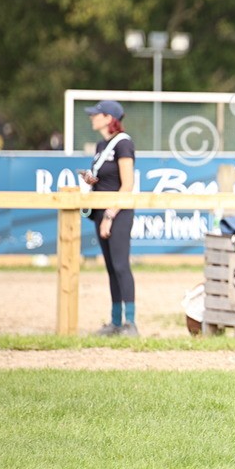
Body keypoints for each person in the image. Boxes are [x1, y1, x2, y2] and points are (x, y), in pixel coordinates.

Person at [82, 99, 138, 336]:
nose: (92, 117)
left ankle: (130, 323)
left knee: (121, 266)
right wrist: (91, 180)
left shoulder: (123, 144)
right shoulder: (100, 146)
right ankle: (115, 322)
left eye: (96, 114)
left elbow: (127, 185)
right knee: (111, 269)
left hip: (118, 212)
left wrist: (110, 214)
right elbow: (107, 179)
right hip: (100, 213)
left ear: (108, 118)